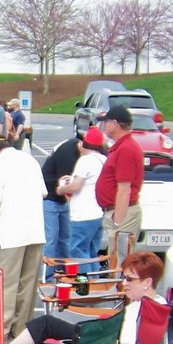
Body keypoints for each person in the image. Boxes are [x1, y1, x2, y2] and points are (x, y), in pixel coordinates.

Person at [3, 251, 166, 344]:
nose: (124, 283)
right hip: (101, 341)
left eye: (130, 279)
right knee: (46, 327)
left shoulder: (135, 313)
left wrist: (93, 343)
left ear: (147, 282)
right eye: (123, 277)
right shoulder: (160, 304)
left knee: (45, 328)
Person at [0, 136, 47, 339]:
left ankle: (1, 332)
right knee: (28, 285)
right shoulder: (30, 160)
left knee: (5, 284)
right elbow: (43, 193)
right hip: (35, 230)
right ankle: (22, 331)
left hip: (10, 232)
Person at [95, 105, 145, 261]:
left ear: (115, 123)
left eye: (106, 121)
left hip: (123, 214)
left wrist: (118, 223)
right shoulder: (122, 146)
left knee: (120, 263)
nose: (104, 125)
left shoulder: (126, 149)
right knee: (116, 261)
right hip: (118, 211)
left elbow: (124, 189)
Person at [61, 127, 108, 271]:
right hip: (98, 212)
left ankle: (84, 281)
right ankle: (94, 281)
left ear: (84, 143)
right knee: (91, 253)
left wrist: (62, 189)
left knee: (77, 252)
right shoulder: (103, 160)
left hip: (83, 214)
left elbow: (76, 187)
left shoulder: (85, 161)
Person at [41, 136, 80, 261]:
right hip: (50, 197)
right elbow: (64, 184)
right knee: (51, 238)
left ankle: (63, 267)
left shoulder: (74, 149)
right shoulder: (68, 154)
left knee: (65, 237)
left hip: (62, 199)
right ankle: (48, 270)